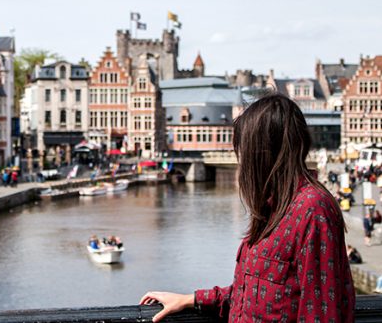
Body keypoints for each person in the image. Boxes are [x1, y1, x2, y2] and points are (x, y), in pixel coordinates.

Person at [140, 93, 355, 323]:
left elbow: (322, 313)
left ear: (262, 154)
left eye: (243, 152)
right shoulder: (273, 207)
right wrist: (189, 299)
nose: (241, 164)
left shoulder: (313, 210)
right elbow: (249, 294)